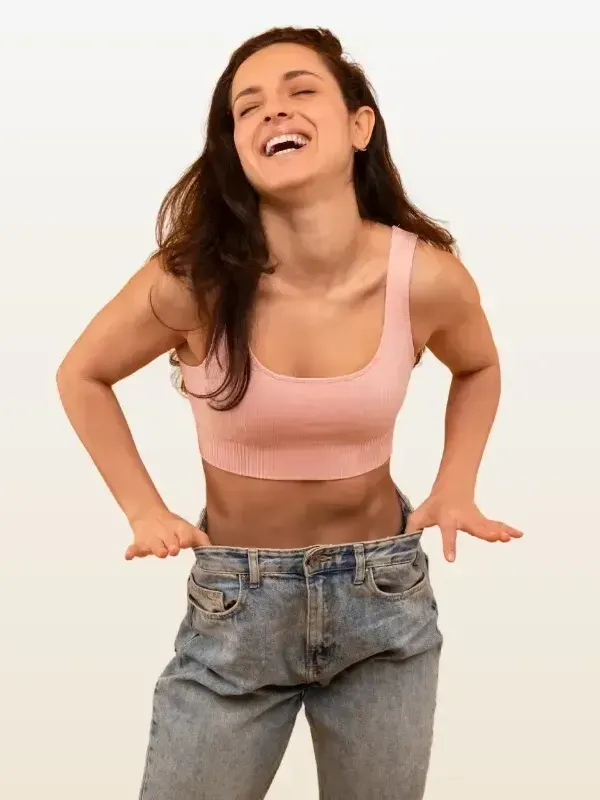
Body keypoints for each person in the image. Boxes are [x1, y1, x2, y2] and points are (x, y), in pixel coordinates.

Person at [57, 25, 523, 800]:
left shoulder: (425, 278)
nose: (274, 112)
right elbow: (82, 374)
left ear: (358, 125)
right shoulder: (193, 281)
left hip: (383, 605)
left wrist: (456, 484)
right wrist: (143, 509)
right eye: (248, 107)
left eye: (301, 91)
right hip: (237, 610)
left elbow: (477, 365)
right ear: (235, 146)